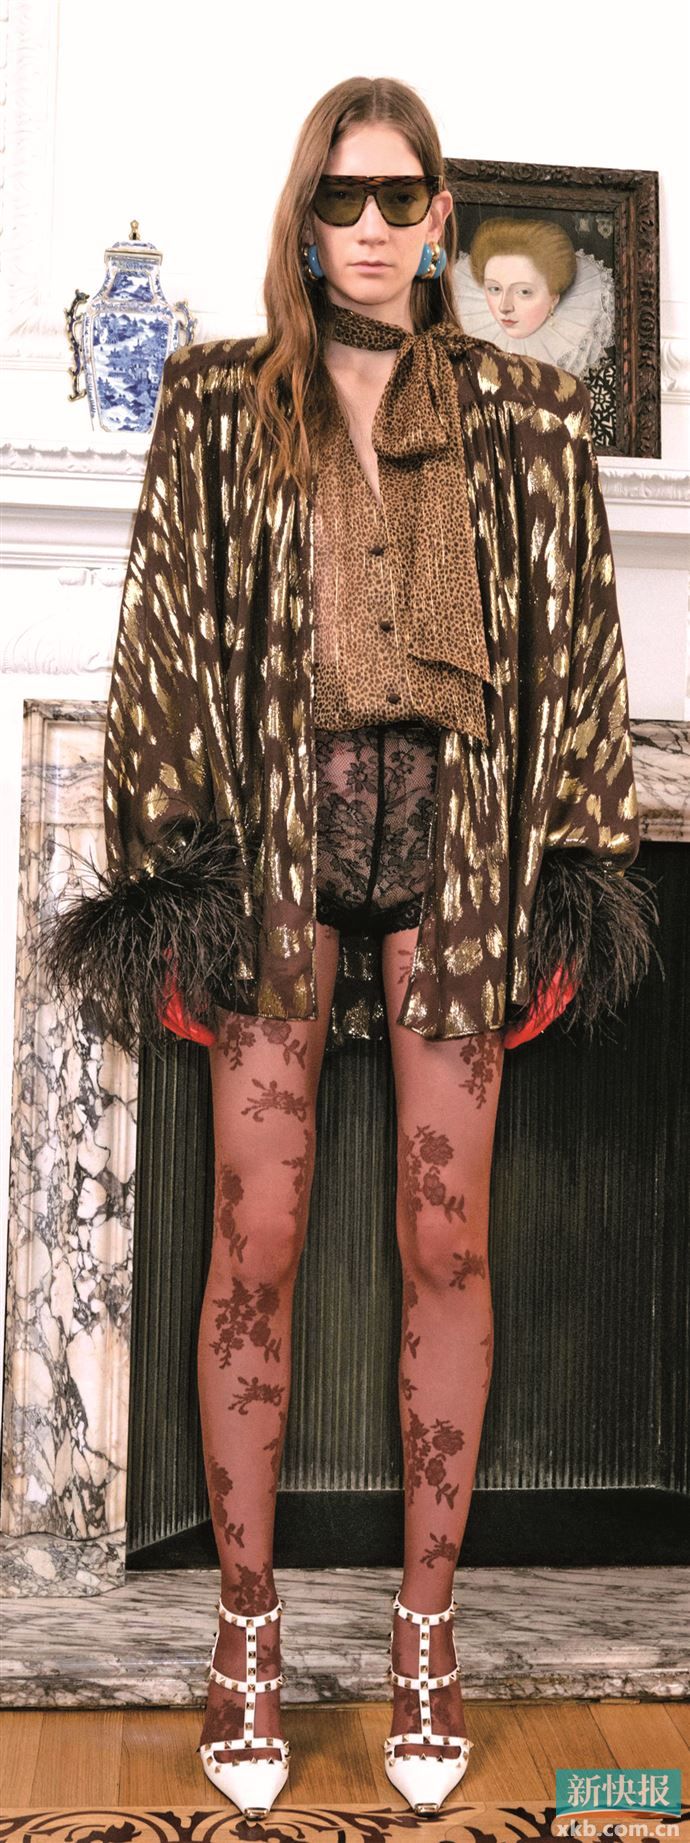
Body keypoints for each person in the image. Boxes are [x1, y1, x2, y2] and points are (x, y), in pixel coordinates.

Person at [41, 76, 655, 1822]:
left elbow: (580, 650)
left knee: (447, 1243)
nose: (371, 227)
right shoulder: (220, 400)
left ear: (441, 215)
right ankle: (244, 1631)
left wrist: (574, 869)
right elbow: (164, 629)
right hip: (276, 848)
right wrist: (173, 872)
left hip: (458, 851)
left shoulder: (529, 417)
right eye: (341, 197)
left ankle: (424, 1630)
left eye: (400, 197)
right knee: (256, 1236)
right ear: (304, 219)